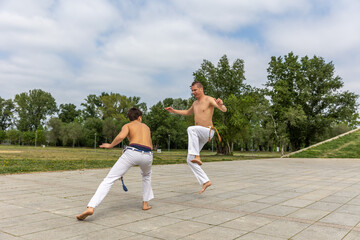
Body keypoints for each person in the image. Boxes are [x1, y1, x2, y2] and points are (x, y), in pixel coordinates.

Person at [76, 108, 154, 220]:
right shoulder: (146, 127)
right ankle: (145, 204)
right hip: (148, 154)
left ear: (130, 118)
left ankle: (91, 207)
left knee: (109, 179)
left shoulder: (127, 125)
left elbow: (121, 137)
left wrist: (111, 145)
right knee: (146, 176)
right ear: (140, 117)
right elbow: (150, 144)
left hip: (133, 152)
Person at [165, 81, 227, 194]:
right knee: (189, 159)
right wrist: (173, 111)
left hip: (208, 131)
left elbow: (224, 110)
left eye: (195, 90)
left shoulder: (208, 99)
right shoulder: (195, 104)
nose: (193, 92)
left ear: (201, 89)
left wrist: (221, 104)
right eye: (192, 90)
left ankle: (197, 156)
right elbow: (187, 112)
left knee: (190, 129)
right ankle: (205, 181)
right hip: (198, 135)